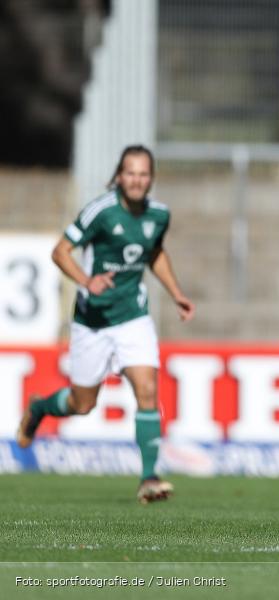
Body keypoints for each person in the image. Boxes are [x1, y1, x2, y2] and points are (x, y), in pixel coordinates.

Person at [16, 145, 195, 504]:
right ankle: (38, 408)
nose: (137, 180)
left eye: (144, 174)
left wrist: (176, 292)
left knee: (147, 389)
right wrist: (87, 281)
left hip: (133, 317)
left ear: (151, 178)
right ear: (119, 175)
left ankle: (148, 477)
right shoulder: (100, 211)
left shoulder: (158, 215)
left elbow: (154, 253)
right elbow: (60, 251)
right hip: (93, 321)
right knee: (82, 404)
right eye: (131, 173)